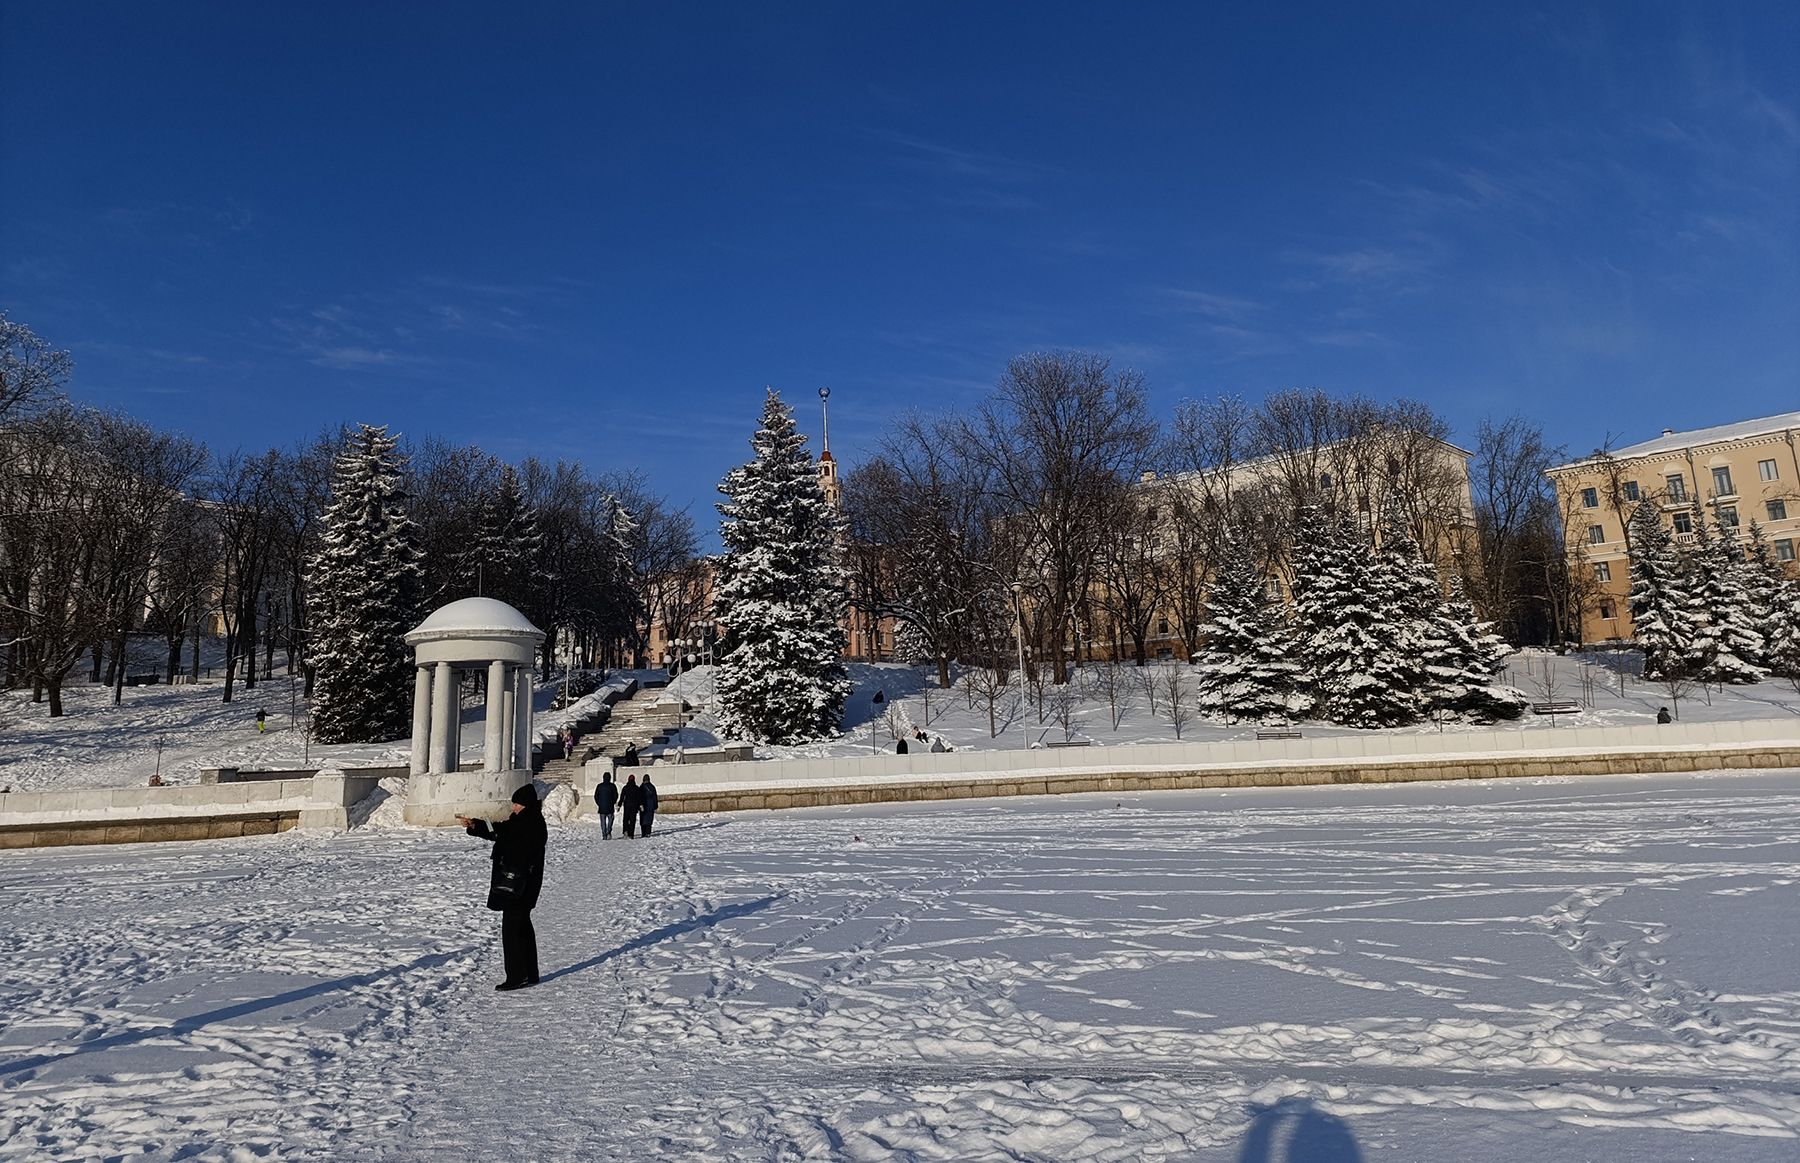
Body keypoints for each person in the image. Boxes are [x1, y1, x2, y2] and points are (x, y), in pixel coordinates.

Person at [456, 784, 547, 992]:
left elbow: (505, 834)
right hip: (524, 884)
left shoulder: (529, 823)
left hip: (519, 885)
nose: (514, 807)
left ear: (525, 805)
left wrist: (480, 828)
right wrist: (475, 825)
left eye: (517, 804)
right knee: (523, 928)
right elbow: (501, 829)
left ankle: (516, 976)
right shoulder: (526, 820)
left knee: (512, 930)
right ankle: (530, 973)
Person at [594, 771, 618, 838]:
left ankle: (604, 834)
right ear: (610, 778)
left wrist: (599, 803)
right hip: (610, 806)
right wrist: (613, 802)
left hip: (602, 807)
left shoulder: (599, 786)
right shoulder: (613, 786)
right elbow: (616, 795)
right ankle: (609, 831)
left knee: (603, 822)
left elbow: (596, 796)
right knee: (611, 820)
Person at [620, 773, 643, 838]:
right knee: (632, 820)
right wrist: (640, 805)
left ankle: (625, 831)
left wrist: (619, 804)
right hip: (634, 806)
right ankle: (631, 834)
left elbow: (622, 797)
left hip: (627, 806)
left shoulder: (625, 788)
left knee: (625, 819)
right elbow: (639, 798)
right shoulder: (636, 788)